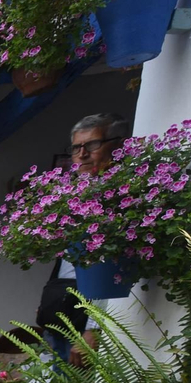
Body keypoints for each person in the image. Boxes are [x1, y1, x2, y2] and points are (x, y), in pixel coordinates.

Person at [36, 113, 130, 363]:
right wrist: (48, 306)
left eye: (92, 145)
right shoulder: (75, 197)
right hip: (62, 311)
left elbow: (109, 268)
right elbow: (66, 261)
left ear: (118, 146)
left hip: (86, 321)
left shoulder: (122, 200)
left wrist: (94, 327)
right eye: (77, 147)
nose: (82, 154)